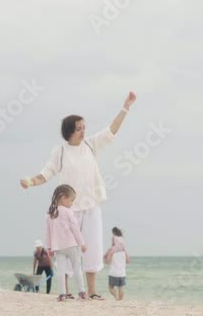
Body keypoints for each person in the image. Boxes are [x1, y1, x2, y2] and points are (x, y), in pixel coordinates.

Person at [21, 91, 137, 300]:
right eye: (79, 128)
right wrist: (30, 181)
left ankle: (91, 292)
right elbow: (45, 173)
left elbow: (112, 130)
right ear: (69, 132)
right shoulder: (60, 152)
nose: (83, 131)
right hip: (68, 210)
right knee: (67, 250)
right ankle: (65, 291)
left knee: (92, 249)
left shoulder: (90, 145)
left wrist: (125, 107)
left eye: (84, 127)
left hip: (91, 205)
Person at [45, 184, 87, 301]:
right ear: (63, 198)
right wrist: (82, 243)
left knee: (60, 271)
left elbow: (48, 233)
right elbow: (75, 229)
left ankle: (62, 294)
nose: (72, 203)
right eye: (71, 200)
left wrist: (49, 248)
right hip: (71, 245)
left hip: (58, 248)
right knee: (77, 268)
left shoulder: (50, 213)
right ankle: (82, 292)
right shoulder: (68, 212)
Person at [105, 226, 130, 301]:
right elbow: (128, 261)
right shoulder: (124, 251)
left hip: (113, 272)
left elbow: (107, 262)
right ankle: (120, 300)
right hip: (122, 273)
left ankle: (116, 297)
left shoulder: (112, 251)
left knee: (110, 288)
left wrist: (106, 255)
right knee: (121, 287)